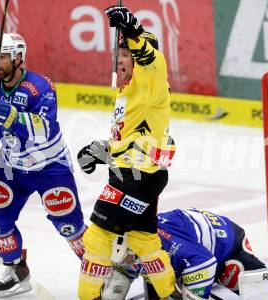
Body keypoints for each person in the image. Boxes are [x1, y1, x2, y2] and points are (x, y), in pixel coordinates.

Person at [0, 33, 87, 298]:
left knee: (69, 225)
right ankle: (16, 270)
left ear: (19, 57)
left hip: (50, 166)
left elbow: (44, 128)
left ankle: (99, 269)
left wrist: (9, 116)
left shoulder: (40, 86)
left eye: (4, 56)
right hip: (11, 168)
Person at [76, 5, 177, 300]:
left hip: (137, 178)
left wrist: (132, 29)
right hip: (137, 175)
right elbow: (129, 140)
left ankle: (89, 297)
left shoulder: (152, 81)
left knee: (97, 236)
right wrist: (100, 150)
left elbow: (151, 59)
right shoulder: (127, 91)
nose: (120, 60)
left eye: (126, 55)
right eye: (117, 55)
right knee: (143, 239)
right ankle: (169, 293)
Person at [104, 208, 266, 299]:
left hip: (227, 248)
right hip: (183, 258)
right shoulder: (127, 243)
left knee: (263, 293)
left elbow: (204, 263)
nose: (127, 262)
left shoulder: (165, 245)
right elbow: (122, 272)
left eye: (129, 258)